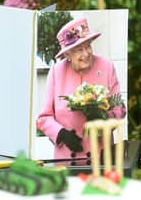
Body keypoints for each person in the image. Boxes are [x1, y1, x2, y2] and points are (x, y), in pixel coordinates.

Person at [36, 17, 126, 164]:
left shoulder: (106, 67)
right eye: (79, 49)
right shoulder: (56, 72)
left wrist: (104, 119)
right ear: (67, 54)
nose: (86, 53)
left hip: (101, 158)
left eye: (88, 46)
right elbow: (44, 118)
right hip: (67, 159)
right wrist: (62, 134)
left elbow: (120, 108)